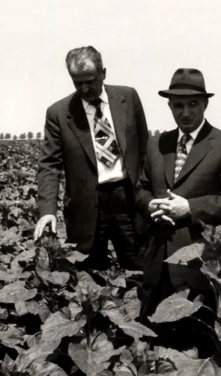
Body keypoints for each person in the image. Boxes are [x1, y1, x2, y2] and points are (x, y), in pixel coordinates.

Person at [135, 68, 221, 319]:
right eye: (178, 105)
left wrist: (190, 208)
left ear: (205, 104)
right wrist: (150, 204)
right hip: (157, 261)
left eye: (192, 104)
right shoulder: (157, 144)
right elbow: (141, 189)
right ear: (169, 106)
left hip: (199, 264)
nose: (185, 112)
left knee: (194, 338)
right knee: (154, 336)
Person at [34, 46, 149, 270]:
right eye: (78, 83)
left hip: (128, 198)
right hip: (86, 206)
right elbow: (49, 165)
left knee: (139, 267)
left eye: (91, 81)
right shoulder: (59, 113)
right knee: (89, 274)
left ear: (103, 73)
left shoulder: (128, 97)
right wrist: (48, 211)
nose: (85, 88)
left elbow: (145, 152)